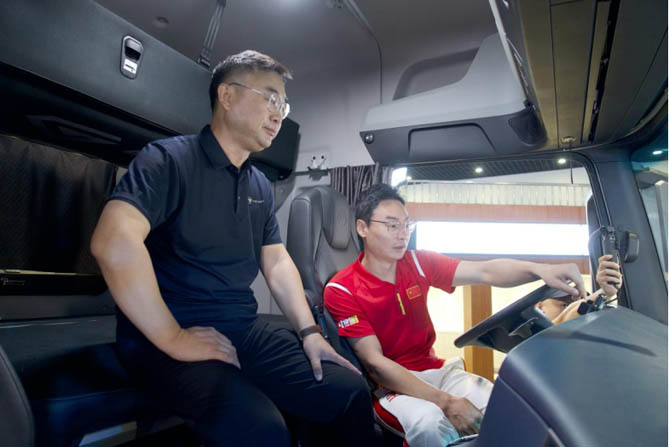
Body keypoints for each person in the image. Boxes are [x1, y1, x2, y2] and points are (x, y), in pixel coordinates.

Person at [91, 50, 378, 447]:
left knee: (348, 392)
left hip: (241, 328)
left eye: (284, 105)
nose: (279, 115)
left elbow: (276, 263)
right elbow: (113, 242)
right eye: (271, 98)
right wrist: (174, 337)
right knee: (262, 429)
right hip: (166, 333)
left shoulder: (258, 184)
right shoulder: (168, 160)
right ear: (227, 96)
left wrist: (310, 332)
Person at [324, 184, 588, 447]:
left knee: (503, 407)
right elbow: (375, 364)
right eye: (392, 225)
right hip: (393, 388)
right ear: (363, 228)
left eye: (407, 225)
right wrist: (446, 402)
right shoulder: (342, 288)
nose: (402, 234)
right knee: (429, 423)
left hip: (439, 372)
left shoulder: (418, 263)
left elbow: (485, 271)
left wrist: (541, 270)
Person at [538, 254, 623, 324]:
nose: (569, 309)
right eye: (564, 305)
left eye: (575, 303)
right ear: (539, 306)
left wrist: (605, 292)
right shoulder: (533, 333)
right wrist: (604, 292)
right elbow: (560, 322)